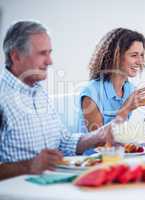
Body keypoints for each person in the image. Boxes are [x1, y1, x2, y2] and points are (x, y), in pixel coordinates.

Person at [0, 21, 113, 180]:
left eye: (49, 53)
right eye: (42, 53)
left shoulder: (39, 92)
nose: (50, 61)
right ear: (16, 55)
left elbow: (64, 142)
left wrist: (100, 135)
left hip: (53, 186)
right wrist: (29, 165)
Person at [77, 28, 145, 133]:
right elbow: (99, 142)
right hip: (97, 149)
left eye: (142, 55)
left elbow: (121, 133)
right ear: (116, 56)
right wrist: (125, 109)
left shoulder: (129, 89)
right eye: (134, 55)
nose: (140, 61)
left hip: (118, 148)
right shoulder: (92, 93)